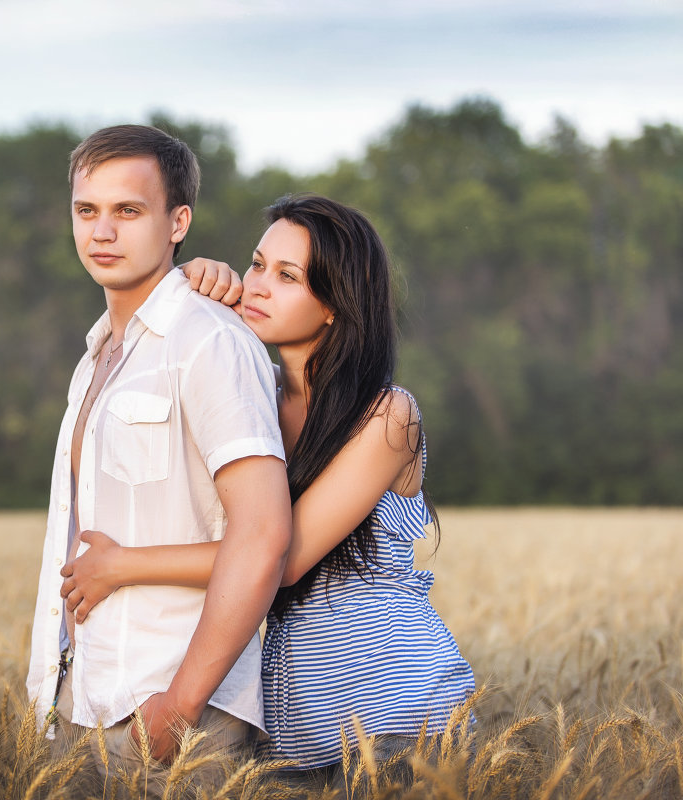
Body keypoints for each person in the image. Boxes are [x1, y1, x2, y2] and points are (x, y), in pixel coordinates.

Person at [61, 193, 476, 782]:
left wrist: (124, 565)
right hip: (294, 733)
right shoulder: (251, 399)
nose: (257, 286)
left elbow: (276, 557)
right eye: (255, 265)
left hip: (395, 718)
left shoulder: (387, 417)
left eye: (287, 276)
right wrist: (187, 286)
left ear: (336, 303)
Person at [25, 125, 292, 789]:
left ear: (178, 222)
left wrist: (177, 706)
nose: (102, 232)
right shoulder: (95, 360)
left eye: (128, 211)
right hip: (83, 700)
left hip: (176, 709)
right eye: (87, 211)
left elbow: (261, 536)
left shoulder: (210, 341)